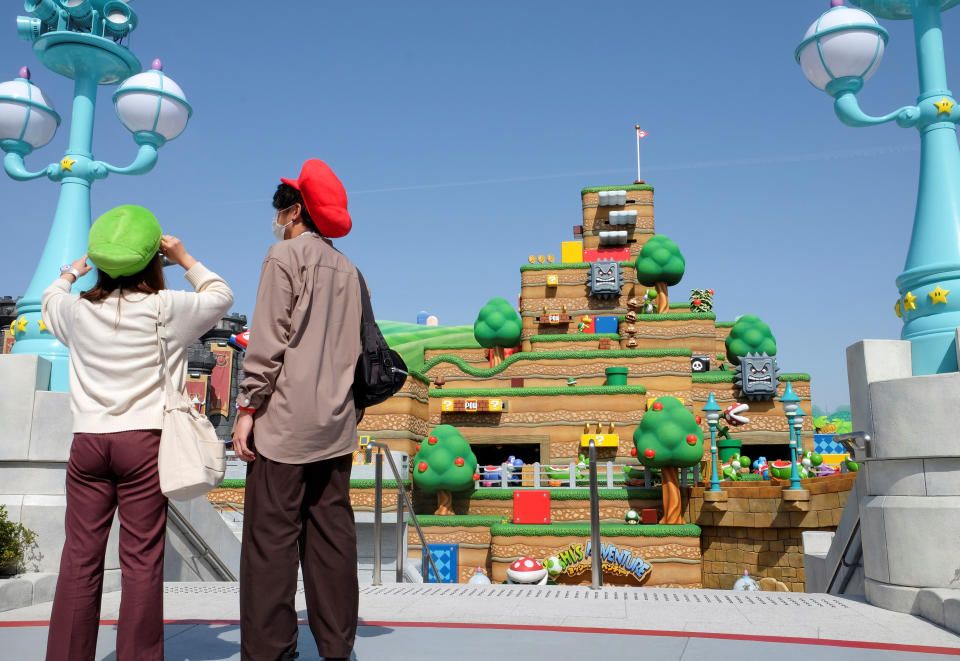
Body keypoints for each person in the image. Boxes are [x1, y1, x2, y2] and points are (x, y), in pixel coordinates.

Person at [41, 205, 234, 661]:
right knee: (142, 561)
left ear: (101, 261)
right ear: (152, 260)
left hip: (88, 442)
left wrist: (72, 273)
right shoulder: (166, 308)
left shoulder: (75, 311)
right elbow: (220, 294)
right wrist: (185, 258)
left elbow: (50, 298)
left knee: (80, 559)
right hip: (144, 442)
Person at [233, 159, 361, 661]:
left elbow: (267, 342)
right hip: (335, 426)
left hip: (283, 424)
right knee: (332, 540)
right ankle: (336, 648)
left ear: (295, 210)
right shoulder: (351, 270)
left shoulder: (283, 257)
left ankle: (271, 652)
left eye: (281, 210)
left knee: (270, 543)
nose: (277, 220)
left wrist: (247, 406)